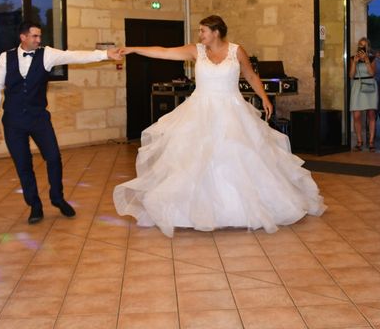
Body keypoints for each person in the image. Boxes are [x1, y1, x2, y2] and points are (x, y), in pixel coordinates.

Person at [113, 15, 325, 237]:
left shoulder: (236, 50)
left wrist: (264, 97)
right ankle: (193, 211)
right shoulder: (197, 51)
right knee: (195, 158)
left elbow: (251, 75)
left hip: (232, 111)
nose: (200, 34)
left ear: (216, 32)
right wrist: (134, 49)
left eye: (203, 31)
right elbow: (164, 51)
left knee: (236, 156)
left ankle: (239, 210)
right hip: (199, 111)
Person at [0, 21, 122, 224]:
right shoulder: (4, 58)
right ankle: (35, 205)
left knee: (54, 157)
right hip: (13, 120)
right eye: (35, 36)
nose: (39, 40)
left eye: (40, 36)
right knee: (23, 165)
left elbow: (73, 55)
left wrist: (104, 55)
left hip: (39, 118)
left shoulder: (47, 54)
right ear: (23, 37)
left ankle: (57, 198)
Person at [349, 37, 378, 152]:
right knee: (356, 115)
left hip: (370, 86)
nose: (362, 47)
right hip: (357, 85)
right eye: (360, 45)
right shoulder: (352, 58)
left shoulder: (372, 58)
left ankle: (371, 142)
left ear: (368, 47)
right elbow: (351, 76)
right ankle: (359, 141)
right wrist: (355, 63)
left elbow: (372, 73)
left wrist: (366, 61)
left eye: (364, 45)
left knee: (371, 114)